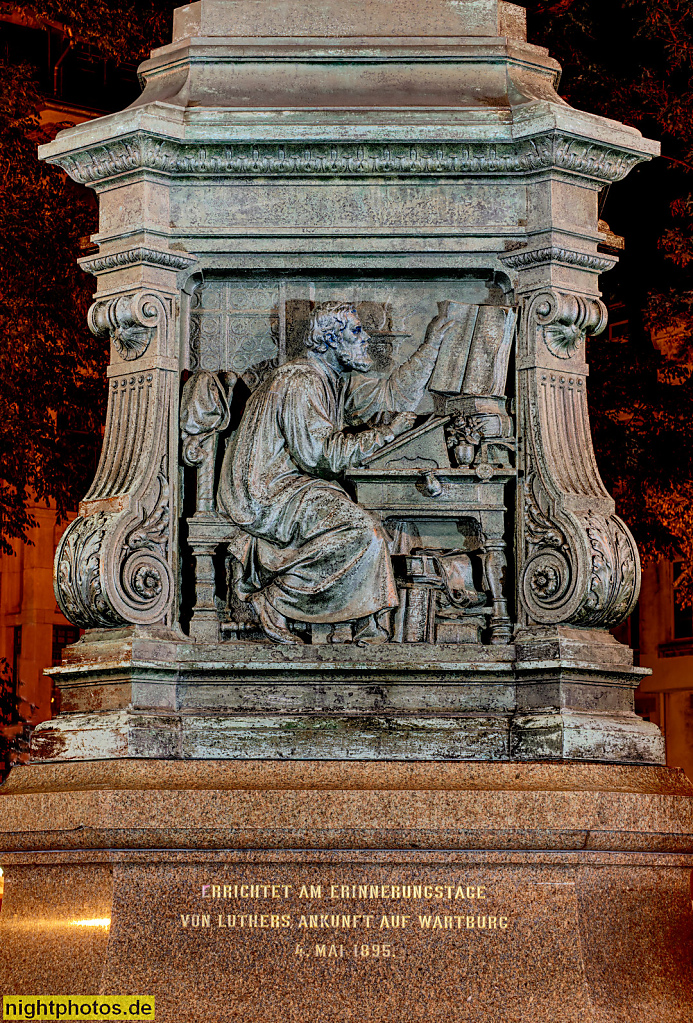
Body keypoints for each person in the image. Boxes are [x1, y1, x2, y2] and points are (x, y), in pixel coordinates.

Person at [217, 301, 454, 644]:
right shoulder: (300, 379)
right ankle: (273, 600)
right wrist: (384, 434)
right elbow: (318, 455)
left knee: (380, 529)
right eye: (356, 332)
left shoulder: (334, 379)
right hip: (265, 493)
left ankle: (368, 623)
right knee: (363, 530)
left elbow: (391, 396)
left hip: (295, 487)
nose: (366, 339)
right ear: (330, 340)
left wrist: (431, 344)